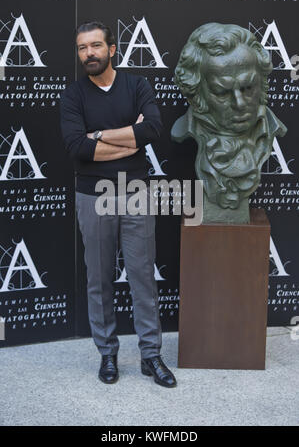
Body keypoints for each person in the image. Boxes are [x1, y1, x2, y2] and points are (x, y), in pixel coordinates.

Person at [60, 21, 177, 388]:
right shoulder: (73, 94)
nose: (89, 54)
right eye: (82, 48)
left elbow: (153, 129)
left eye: (96, 46)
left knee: (142, 275)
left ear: (112, 49)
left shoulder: (136, 85)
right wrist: (129, 140)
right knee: (99, 278)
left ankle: (150, 355)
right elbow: (77, 147)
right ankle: (107, 353)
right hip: (92, 195)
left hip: (135, 191)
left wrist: (101, 137)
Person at [171, 23, 286, 223]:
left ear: (262, 82)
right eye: (222, 92)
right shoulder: (186, 127)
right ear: (198, 92)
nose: (239, 103)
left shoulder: (271, 126)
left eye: (248, 87)